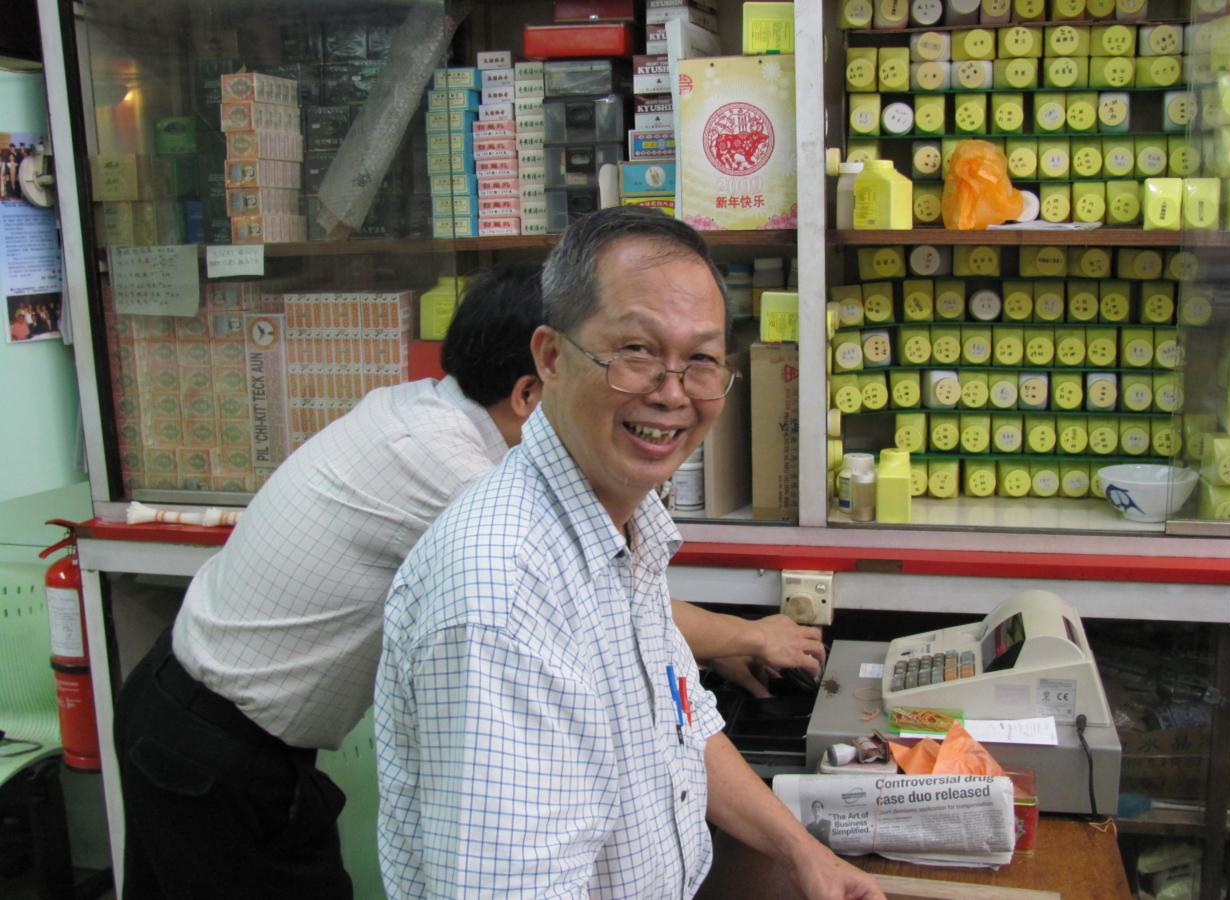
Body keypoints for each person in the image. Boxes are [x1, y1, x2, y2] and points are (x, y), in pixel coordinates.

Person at [113, 261, 825, 900]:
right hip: (210, 743)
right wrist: (743, 633)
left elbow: (616, 597)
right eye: (605, 362)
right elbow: (588, 581)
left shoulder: (424, 411)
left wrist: (715, 646)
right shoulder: (470, 488)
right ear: (533, 385)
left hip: (198, 712)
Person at [376, 208, 885, 900]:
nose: (672, 393)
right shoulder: (501, 590)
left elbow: (682, 726)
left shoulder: (621, 521)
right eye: (636, 352)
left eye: (700, 360)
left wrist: (801, 851)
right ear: (551, 358)